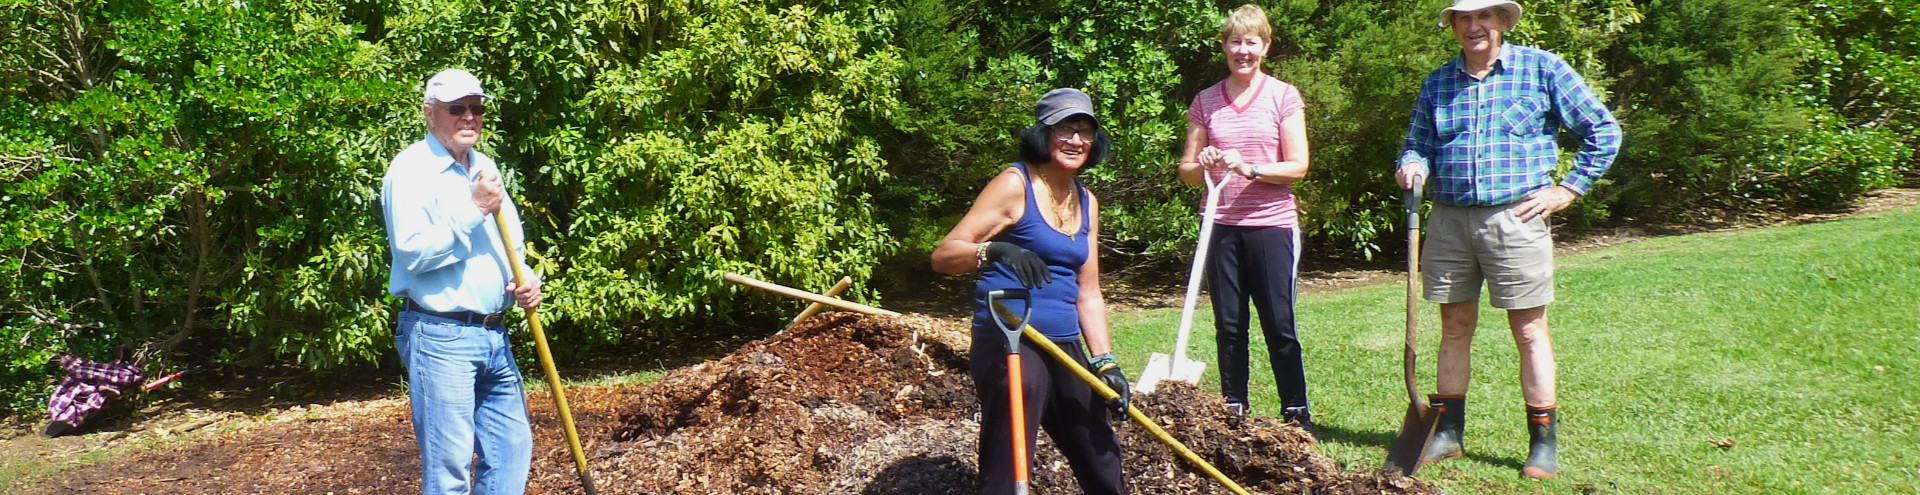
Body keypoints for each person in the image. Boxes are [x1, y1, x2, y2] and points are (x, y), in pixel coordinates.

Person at [1395, 0, 1622, 479]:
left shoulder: (1542, 69)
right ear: (1454, 26)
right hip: (1450, 219)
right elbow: (1418, 142)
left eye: (1484, 16)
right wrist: (1413, 163)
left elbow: (1603, 129)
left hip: (1515, 218)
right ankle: (1448, 433)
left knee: (1529, 330)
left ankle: (1542, 444)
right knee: (1454, 327)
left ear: (1502, 21)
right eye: (1463, 18)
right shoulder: (1438, 81)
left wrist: (1568, 188)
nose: (1474, 26)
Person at [932, 88, 1130, 495]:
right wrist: (994, 250)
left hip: (1064, 342)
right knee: (1010, 465)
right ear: (1043, 133)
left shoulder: (1086, 201)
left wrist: (1106, 362)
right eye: (1065, 129)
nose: (1076, 140)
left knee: (1101, 454)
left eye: (1085, 131)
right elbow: (944, 256)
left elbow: (1088, 292)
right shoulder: (1013, 184)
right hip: (1011, 338)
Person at [382, 68, 543, 494]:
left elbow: (511, 244)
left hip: (495, 335)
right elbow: (412, 253)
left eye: (476, 108)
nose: (469, 117)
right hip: (441, 336)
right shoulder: (410, 170)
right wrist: (473, 209)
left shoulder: (485, 165)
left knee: (511, 447)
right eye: (457, 109)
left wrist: (525, 278)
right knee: (449, 465)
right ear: (430, 114)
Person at [1175, 4, 1314, 431]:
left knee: (1279, 323)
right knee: (1229, 325)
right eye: (1235, 41)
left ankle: (1295, 410)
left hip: (1271, 226)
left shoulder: (1283, 96)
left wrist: (1249, 167)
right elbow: (1187, 173)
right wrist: (1206, 160)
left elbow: (1298, 166)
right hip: (1220, 227)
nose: (1243, 50)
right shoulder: (1206, 101)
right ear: (1224, 47)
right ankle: (1233, 406)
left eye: (1251, 42)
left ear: (1265, 47)